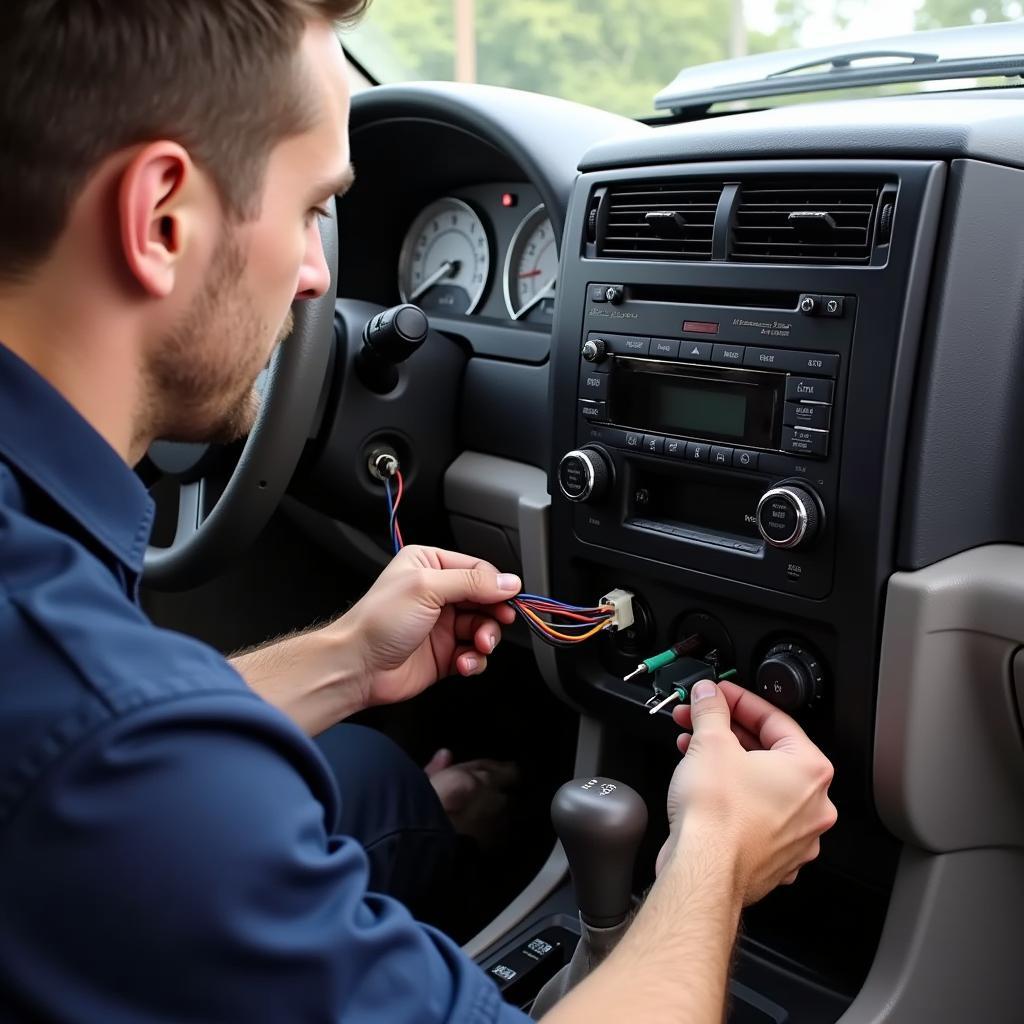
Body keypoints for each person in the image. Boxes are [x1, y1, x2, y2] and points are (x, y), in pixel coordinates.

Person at [0, 2, 837, 1021]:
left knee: (365, 773)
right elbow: (112, 750)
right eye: (311, 209)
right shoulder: (107, 742)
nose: (318, 278)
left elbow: (103, 742)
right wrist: (715, 855)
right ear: (160, 217)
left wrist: (347, 654)